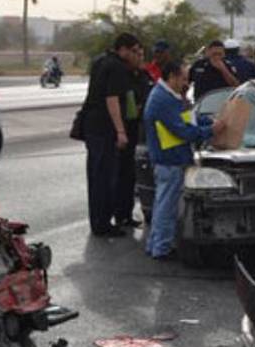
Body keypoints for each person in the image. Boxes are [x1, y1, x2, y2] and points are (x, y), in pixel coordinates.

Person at [142, 61, 223, 259]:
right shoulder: (163, 100)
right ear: (172, 77)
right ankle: (161, 248)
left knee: (163, 204)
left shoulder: (169, 96)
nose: (186, 83)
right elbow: (183, 131)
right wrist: (211, 130)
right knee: (166, 207)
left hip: (171, 158)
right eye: (183, 78)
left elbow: (189, 118)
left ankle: (156, 245)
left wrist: (208, 120)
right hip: (169, 160)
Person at [80, 32, 139, 237]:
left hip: (93, 127)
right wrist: (120, 130)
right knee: (104, 178)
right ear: (123, 49)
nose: (135, 55)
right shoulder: (117, 67)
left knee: (97, 176)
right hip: (104, 128)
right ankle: (102, 224)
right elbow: (111, 99)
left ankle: (99, 221)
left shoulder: (100, 61)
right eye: (133, 51)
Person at [113, 42, 152, 229]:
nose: (140, 58)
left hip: (140, 131)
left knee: (133, 176)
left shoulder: (143, 75)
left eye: (142, 54)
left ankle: (127, 214)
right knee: (122, 175)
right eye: (137, 53)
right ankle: (120, 214)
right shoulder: (121, 76)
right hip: (126, 130)